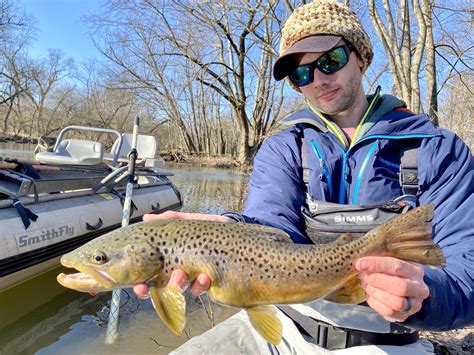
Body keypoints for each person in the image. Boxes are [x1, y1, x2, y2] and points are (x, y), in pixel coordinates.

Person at [134, 0, 473, 353]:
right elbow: (270, 228)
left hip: (387, 340)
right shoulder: (284, 148)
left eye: (330, 60)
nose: (318, 79)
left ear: (360, 57)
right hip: (282, 328)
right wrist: (224, 233)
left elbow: (469, 273)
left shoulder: (438, 150)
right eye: (301, 73)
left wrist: (427, 296)